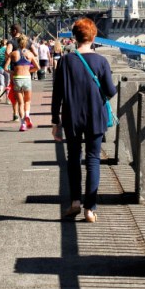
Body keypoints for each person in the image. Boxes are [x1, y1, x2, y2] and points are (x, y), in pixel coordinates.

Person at [50, 18, 116, 223]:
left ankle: (75, 202)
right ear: (94, 36)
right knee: (93, 160)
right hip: (95, 116)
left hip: (71, 116)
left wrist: (55, 122)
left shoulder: (66, 61)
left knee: (74, 159)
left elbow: (57, 94)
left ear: (74, 37)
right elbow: (111, 91)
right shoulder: (101, 62)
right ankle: (90, 208)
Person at [5, 33, 39, 131]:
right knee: (27, 101)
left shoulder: (13, 53)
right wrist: (29, 71)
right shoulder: (30, 54)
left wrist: (12, 71)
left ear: (18, 43)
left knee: (20, 103)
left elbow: (5, 68)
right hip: (27, 78)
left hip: (17, 79)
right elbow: (37, 67)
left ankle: (23, 124)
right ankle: (27, 115)